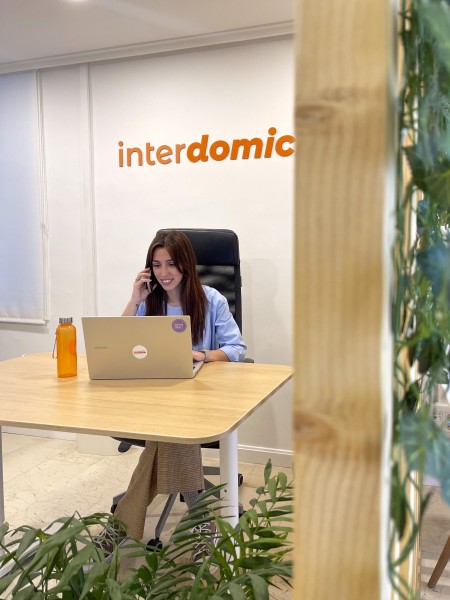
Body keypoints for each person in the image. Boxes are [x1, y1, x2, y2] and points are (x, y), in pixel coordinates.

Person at [98, 230, 246, 561]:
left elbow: (236, 348)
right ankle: (203, 524)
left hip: (199, 396)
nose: (164, 273)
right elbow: (119, 343)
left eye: (171, 264)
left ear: (186, 265)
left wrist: (201, 355)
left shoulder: (211, 300)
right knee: (172, 431)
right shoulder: (150, 301)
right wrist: (134, 299)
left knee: (172, 431)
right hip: (153, 396)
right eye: (157, 265)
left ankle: (118, 529)